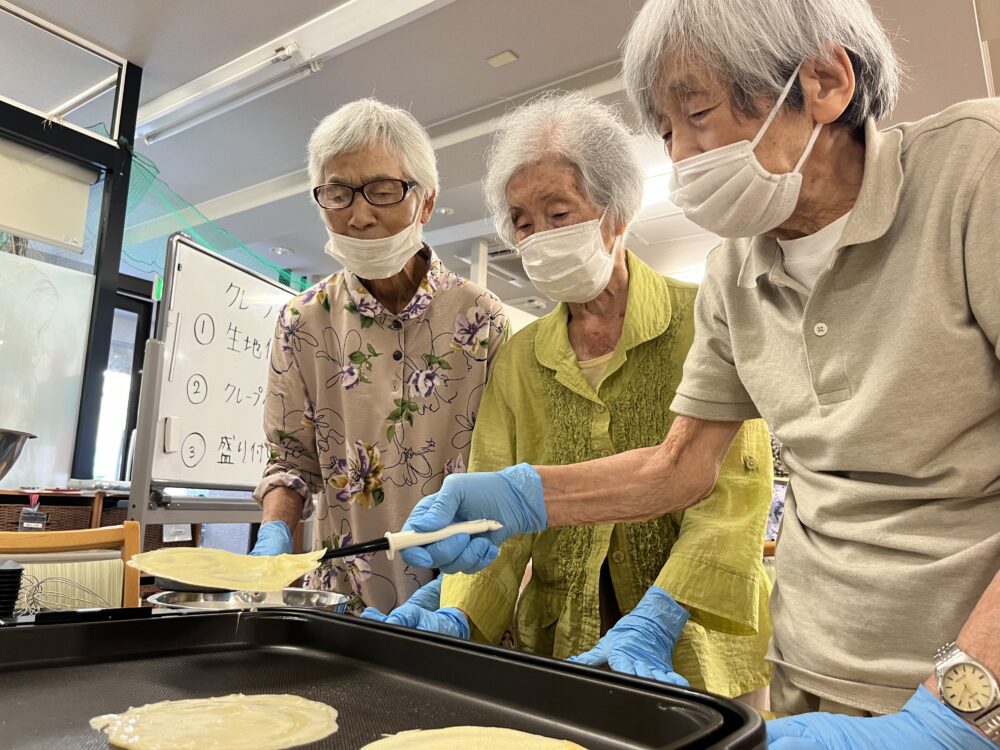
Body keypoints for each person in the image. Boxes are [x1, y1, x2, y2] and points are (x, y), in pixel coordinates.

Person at [395, 0, 1000, 742]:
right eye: (666, 132)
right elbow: (679, 468)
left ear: (824, 82)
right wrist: (521, 496)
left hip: (965, 681)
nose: (680, 158)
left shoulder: (977, 171)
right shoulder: (735, 273)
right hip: (810, 666)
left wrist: (963, 712)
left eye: (699, 114)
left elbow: (735, 497)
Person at [366, 93, 775, 704]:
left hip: (694, 643)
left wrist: (661, 612)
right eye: (523, 223)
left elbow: (734, 497)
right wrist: (462, 614)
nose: (537, 238)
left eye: (558, 214)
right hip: (560, 641)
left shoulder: (706, 319)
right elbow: (494, 508)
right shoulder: (521, 359)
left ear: (615, 214)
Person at [250, 98, 507, 614]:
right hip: (346, 595)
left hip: (461, 589)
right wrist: (275, 533)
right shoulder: (305, 321)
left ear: (426, 202)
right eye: (338, 193)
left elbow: (503, 468)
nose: (359, 216)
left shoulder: (481, 319)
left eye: (383, 191)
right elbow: (290, 461)